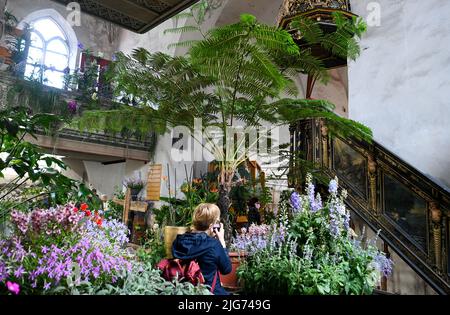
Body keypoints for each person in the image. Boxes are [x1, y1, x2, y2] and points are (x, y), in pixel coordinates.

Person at [172, 203, 232, 295]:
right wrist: (222, 242)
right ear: (212, 225)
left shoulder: (179, 240)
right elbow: (226, 269)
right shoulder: (213, 244)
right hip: (209, 291)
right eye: (218, 222)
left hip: (185, 291)